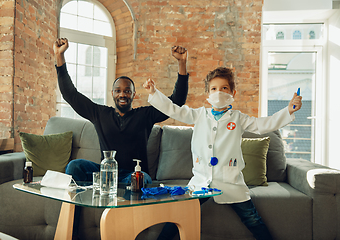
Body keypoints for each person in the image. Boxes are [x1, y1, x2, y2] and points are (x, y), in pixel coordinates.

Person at [143, 67, 302, 240]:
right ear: (208, 94)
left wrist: (289, 111)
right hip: (201, 180)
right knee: (179, 216)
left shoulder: (238, 118)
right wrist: (154, 93)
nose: (219, 92)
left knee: (252, 219)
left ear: (233, 92)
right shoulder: (199, 115)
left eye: (224, 88)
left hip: (231, 182)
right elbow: (175, 110)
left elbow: (263, 125)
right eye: (214, 89)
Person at [53, 38, 189, 184]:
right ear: (112, 94)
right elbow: (70, 95)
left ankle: (120, 199)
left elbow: (177, 102)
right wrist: (59, 56)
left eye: (127, 91)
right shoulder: (99, 113)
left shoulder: (145, 115)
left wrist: (182, 63)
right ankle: (83, 202)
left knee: (141, 179)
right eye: (118, 91)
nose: (122, 94)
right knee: (74, 166)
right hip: (105, 173)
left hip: (133, 175)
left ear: (133, 94)